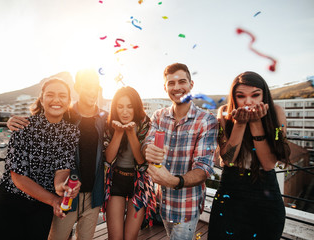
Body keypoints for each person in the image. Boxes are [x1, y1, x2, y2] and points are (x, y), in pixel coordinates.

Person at [7, 69, 107, 240]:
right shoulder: (65, 114)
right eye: (87, 86)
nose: (92, 91)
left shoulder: (104, 118)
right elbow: (41, 121)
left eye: (95, 87)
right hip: (65, 193)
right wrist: (11, 121)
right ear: (77, 88)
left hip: (93, 193)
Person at [0, 77, 81, 240]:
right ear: (42, 100)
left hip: (42, 209)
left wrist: (61, 187)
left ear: (68, 101)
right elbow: (18, 177)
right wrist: (54, 200)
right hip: (10, 203)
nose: (56, 100)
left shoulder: (71, 132)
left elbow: (63, 168)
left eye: (62, 95)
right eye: (50, 95)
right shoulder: (23, 125)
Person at [207, 71, 291, 240]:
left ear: (264, 95)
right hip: (231, 189)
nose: (248, 102)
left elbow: (268, 164)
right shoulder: (224, 113)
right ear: (234, 97)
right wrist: (240, 124)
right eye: (241, 96)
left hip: (265, 192)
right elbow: (228, 160)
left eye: (255, 95)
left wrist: (255, 122)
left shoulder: (276, 113)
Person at [142, 63, 218, 239]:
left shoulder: (206, 121)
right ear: (165, 87)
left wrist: (173, 181)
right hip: (163, 202)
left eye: (182, 81)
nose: (176, 88)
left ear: (191, 85)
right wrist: (148, 150)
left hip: (187, 206)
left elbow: (203, 169)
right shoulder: (158, 116)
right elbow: (148, 142)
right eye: (171, 83)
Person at [102, 86, 156, 240]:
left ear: (136, 107)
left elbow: (141, 161)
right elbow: (108, 158)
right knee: (116, 237)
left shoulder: (145, 123)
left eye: (129, 106)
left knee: (130, 236)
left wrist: (131, 133)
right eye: (120, 106)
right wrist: (118, 132)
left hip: (138, 183)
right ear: (115, 108)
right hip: (116, 181)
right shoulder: (109, 124)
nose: (124, 111)